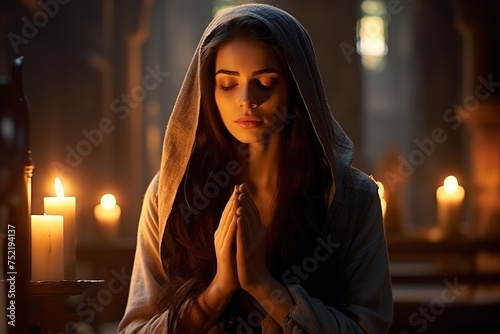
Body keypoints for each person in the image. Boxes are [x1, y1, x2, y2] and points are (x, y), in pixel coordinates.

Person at [119, 4, 392, 333]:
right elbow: (135, 329)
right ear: (208, 91)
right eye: (228, 84)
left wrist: (265, 285)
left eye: (265, 82)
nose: (247, 100)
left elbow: (368, 328)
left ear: (296, 88)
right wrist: (218, 291)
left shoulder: (352, 199)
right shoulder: (171, 195)